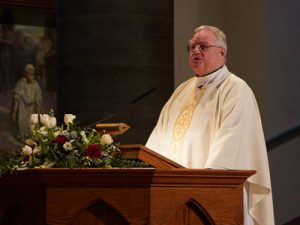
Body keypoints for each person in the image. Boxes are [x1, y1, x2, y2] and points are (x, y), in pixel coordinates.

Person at [146, 25, 274, 225]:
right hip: (171, 196)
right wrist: (147, 167)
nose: (196, 51)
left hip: (211, 196)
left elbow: (230, 145)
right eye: (192, 47)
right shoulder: (181, 92)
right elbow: (158, 140)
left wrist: (203, 186)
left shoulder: (235, 89)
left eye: (203, 46)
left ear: (222, 52)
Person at [11, 63, 42, 140]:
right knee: (23, 125)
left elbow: (38, 98)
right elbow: (17, 98)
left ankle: (32, 140)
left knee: (33, 125)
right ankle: (24, 139)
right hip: (23, 108)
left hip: (32, 108)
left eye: (32, 73)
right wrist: (14, 112)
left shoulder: (35, 84)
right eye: (29, 73)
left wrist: (39, 109)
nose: (31, 76)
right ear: (26, 73)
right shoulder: (21, 83)